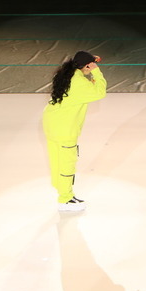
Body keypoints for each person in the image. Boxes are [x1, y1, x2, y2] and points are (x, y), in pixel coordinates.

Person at [43, 51, 107, 212]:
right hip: (65, 130)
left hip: (52, 124)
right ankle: (65, 199)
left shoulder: (68, 75)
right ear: (87, 65)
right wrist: (96, 71)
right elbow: (100, 91)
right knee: (67, 163)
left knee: (57, 161)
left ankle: (64, 193)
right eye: (92, 64)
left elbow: (89, 88)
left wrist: (90, 72)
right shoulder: (78, 82)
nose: (93, 66)